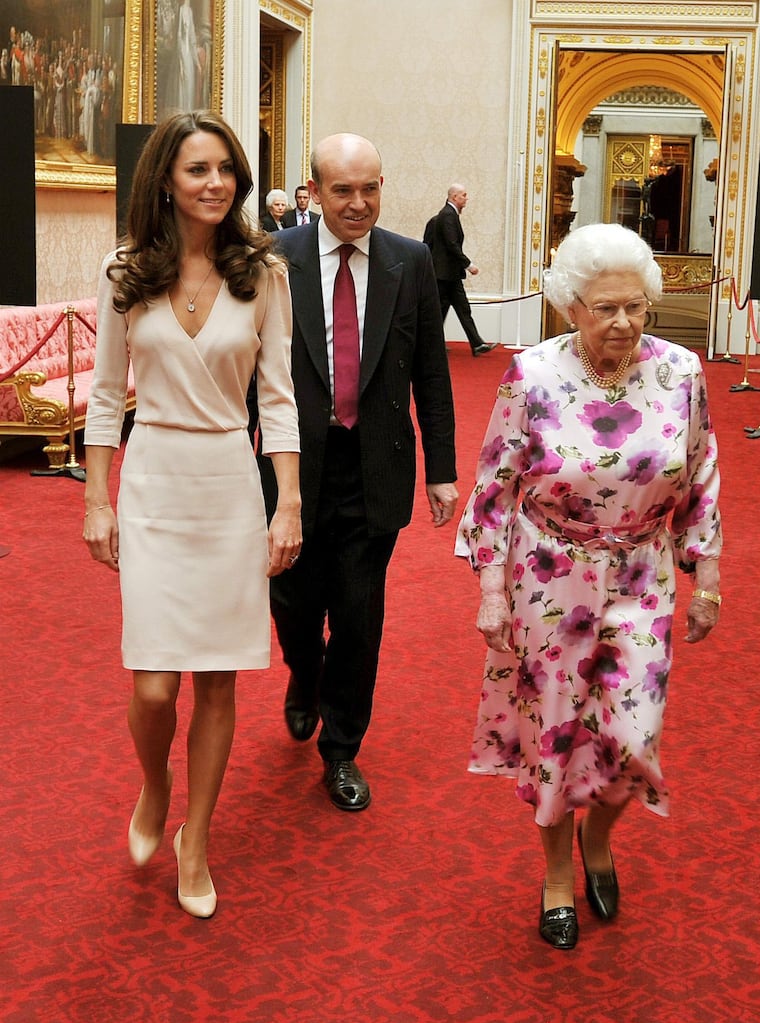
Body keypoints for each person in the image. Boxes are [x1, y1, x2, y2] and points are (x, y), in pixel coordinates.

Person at [455, 222, 722, 950]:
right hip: (551, 575)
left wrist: (709, 578)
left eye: (637, 307)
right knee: (558, 730)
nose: (624, 323)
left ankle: (599, 837)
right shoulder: (533, 375)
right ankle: (556, 876)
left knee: (632, 740)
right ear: (571, 306)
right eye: (606, 308)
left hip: (644, 571)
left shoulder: (681, 373)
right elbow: (495, 486)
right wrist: (490, 589)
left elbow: (699, 473)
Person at [82, 110, 301, 918]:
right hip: (154, 487)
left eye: (226, 171)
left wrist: (289, 505)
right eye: (198, 171)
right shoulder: (125, 272)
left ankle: (196, 837)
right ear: (165, 183)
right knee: (152, 686)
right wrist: (96, 499)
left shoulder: (263, 273)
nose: (216, 185)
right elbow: (106, 399)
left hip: (229, 487)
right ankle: (154, 786)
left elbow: (278, 400)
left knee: (216, 681)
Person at [250, 132, 458, 811]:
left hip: (377, 470)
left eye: (371, 188)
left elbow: (432, 368)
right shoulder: (273, 259)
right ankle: (303, 674)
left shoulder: (411, 261)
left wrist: (442, 469)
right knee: (293, 604)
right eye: (344, 190)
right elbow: (247, 367)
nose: (360, 203)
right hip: (291, 470)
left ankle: (342, 749)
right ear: (313, 192)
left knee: (360, 616)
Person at [424, 184, 497, 357]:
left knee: (455, 309)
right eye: (464, 195)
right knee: (450, 310)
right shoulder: (448, 215)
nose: (466, 198)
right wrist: (468, 264)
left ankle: (475, 344)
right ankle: (433, 346)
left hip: (447, 275)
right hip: (446, 275)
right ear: (454, 197)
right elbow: (451, 245)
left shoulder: (446, 215)